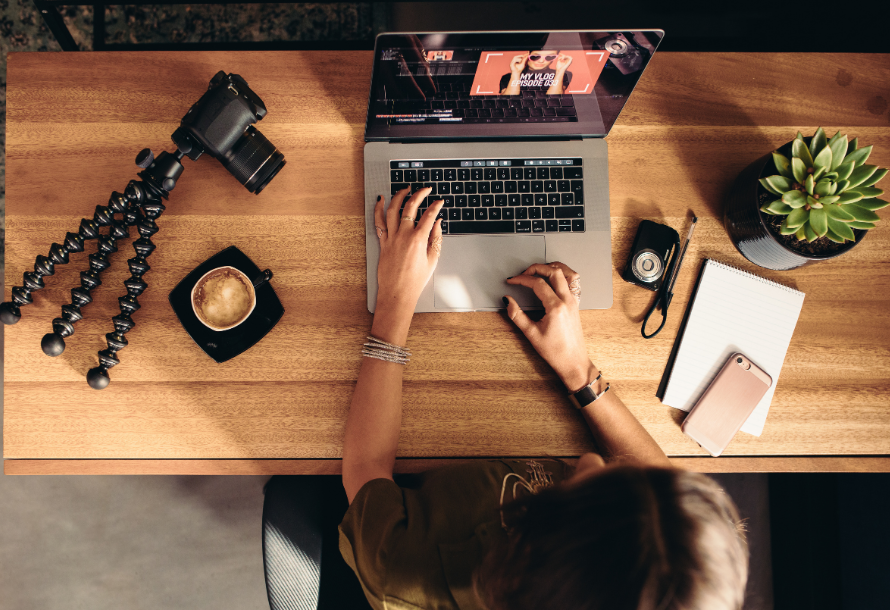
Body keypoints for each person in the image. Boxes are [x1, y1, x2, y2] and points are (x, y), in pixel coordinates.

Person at [340, 187, 748, 610]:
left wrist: (394, 302)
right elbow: (655, 479)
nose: (589, 460)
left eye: (577, 486)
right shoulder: (696, 573)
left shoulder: (403, 572)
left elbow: (365, 465)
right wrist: (580, 373)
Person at [499, 50, 573, 95]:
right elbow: (508, 102)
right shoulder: (508, 77)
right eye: (536, 56)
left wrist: (560, 71)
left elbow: (554, 100)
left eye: (549, 57)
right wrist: (516, 72)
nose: (541, 61)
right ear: (528, 54)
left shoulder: (563, 74)